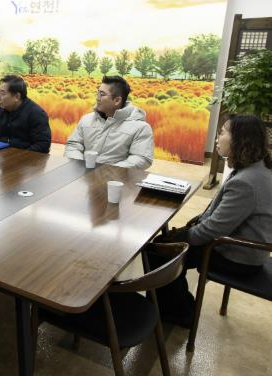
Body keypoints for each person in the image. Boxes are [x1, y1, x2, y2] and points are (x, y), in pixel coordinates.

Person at [152, 114, 272, 327]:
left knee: (160, 253)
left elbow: (212, 231)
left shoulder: (246, 182)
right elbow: (216, 218)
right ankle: (176, 305)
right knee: (166, 245)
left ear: (240, 139)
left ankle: (180, 312)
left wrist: (182, 236)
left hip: (238, 257)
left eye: (222, 133)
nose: (217, 138)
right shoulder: (257, 168)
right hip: (245, 249)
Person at [64, 75, 154, 169]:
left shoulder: (140, 128)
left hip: (116, 178)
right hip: (83, 176)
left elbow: (141, 158)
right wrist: (80, 165)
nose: (97, 98)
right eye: (97, 93)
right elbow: (73, 145)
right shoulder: (86, 119)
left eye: (102, 95)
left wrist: (108, 172)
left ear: (117, 100)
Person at [0, 74, 51, 153]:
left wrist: (19, 156)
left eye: (2, 93)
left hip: (25, 157)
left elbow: (43, 145)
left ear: (17, 96)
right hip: (0, 155)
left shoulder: (36, 114)